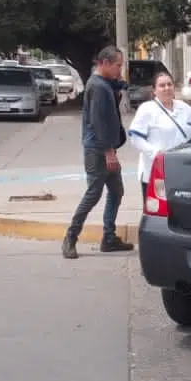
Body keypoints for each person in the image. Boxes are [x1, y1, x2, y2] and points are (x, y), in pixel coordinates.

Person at [64, 46, 134, 259]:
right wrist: (108, 152)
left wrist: (123, 83)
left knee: (116, 191)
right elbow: (98, 123)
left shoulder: (104, 83)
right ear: (104, 63)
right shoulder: (98, 87)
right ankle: (71, 237)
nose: (119, 70)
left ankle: (109, 238)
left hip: (105, 148)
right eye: (117, 65)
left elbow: (117, 84)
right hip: (98, 150)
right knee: (93, 193)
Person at [127, 72, 191, 203]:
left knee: (180, 210)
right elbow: (136, 139)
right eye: (162, 85)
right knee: (158, 212)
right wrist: (156, 153)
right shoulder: (147, 109)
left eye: (169, 84)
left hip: (181, 171)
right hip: (156, 172)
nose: (166, 88)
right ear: (154, 90)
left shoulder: (184, 108)